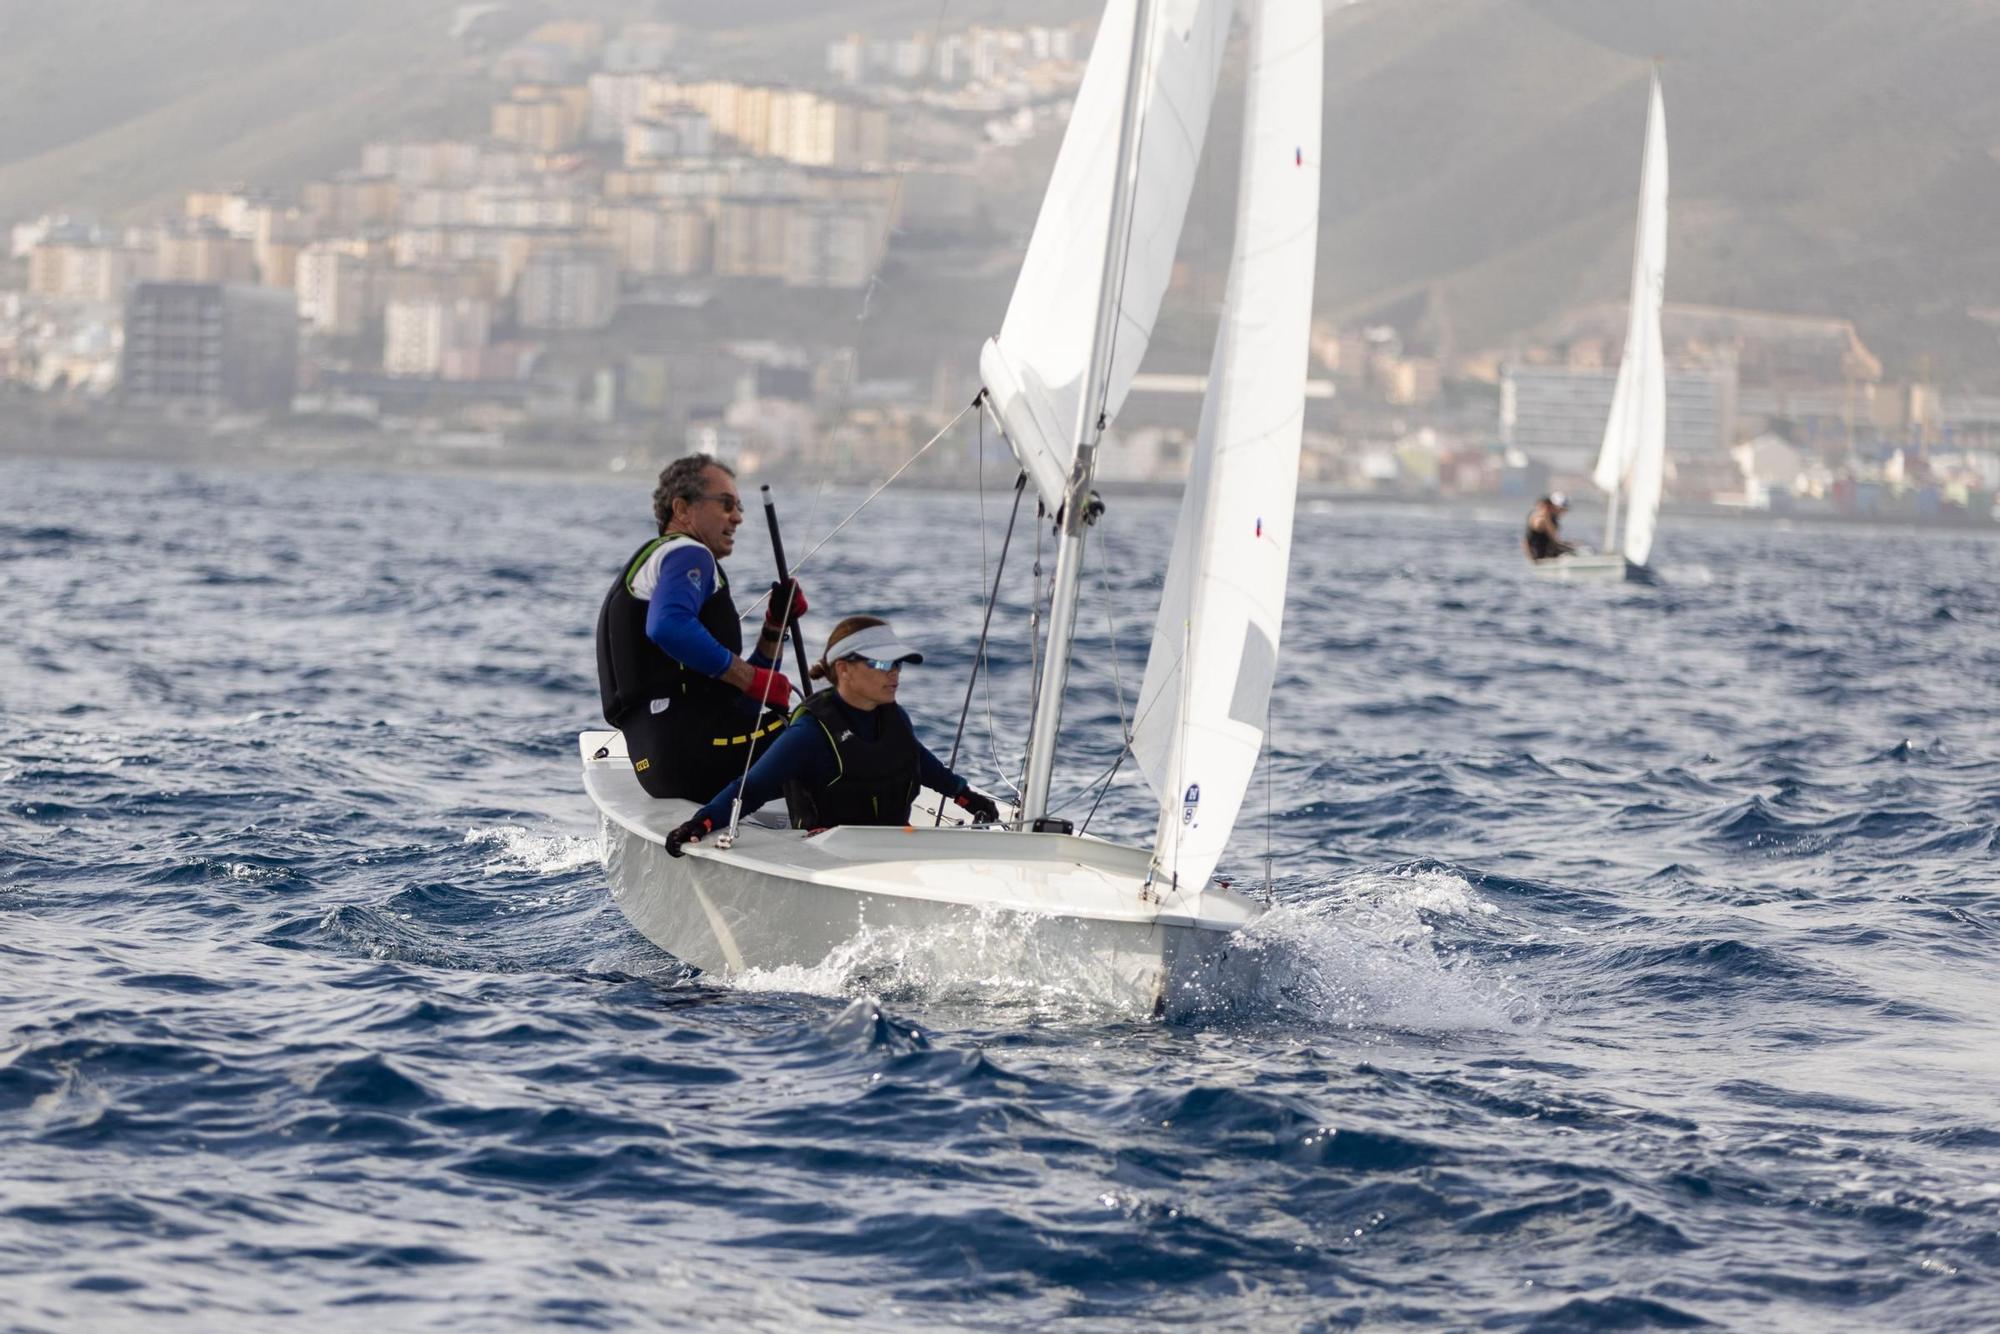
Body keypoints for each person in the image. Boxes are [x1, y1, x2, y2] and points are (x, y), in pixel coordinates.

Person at [666, 615, 1001, 854]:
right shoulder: (810, 732)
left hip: (894, 851)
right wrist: (702, 823)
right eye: (883, 664)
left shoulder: (894, 718)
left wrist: (967, 797)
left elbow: (924, 766)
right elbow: (751, 789)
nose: (895, 674)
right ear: (844, 669)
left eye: (898, 664)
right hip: (827, 858)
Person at [595, 453, 808, 800]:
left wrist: (774, 627)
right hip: (690, 751)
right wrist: (750, 678)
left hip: (660, 759)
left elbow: (742, 710)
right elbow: (667, 626)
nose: (737, 517)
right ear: (682, 509)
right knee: (827, 728)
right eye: (725, 504)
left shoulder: (654, 561)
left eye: (739, 506)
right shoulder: (689, 553)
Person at [1523, 491, 1578, 562]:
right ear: (1551, 506)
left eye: (1564, 510)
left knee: (1581, 548)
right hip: (1543, 557)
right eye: (1561, 509)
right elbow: (1552, 536)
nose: (1563, 512)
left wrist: (1567, 543)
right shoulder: (1540, 518)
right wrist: (1532, 560)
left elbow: (1554, 540)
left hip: (1551, 551)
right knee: (1575, 552)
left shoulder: (1552, 517)